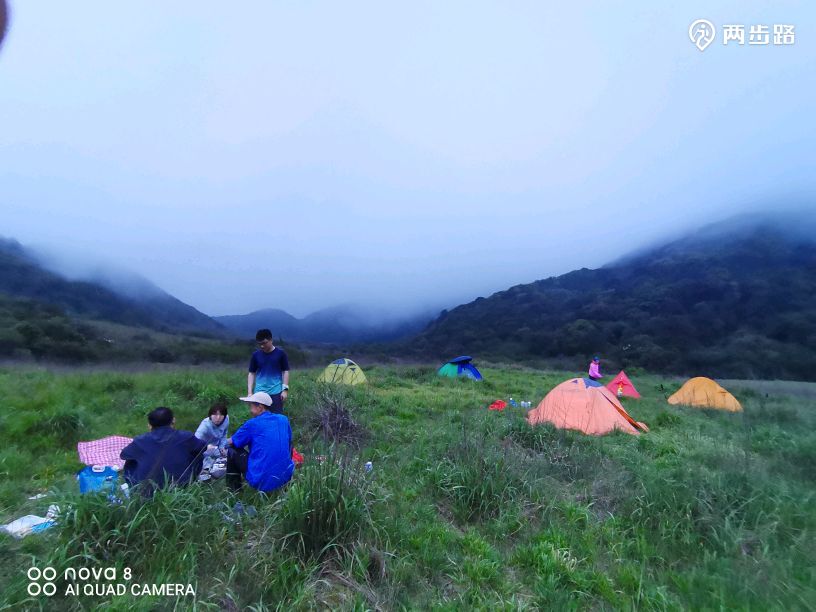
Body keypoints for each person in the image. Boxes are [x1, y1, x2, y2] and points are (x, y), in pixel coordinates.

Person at [120, 407, 206, 494]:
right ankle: (191, 480)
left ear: (149, 425)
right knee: (197, 453)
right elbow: (203, 447)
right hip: (181, 487)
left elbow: (124, 454)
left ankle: (134, 488)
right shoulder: (186, 437)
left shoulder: (141, 440)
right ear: (173, 420)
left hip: (147, 491)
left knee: (131, 461)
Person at [226, 392, 294, 493]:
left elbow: (231, 442)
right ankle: (283, 483)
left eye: (251, 406)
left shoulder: (252, 424)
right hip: (285, 477)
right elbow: (290, 444)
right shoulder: (283, 420)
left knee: (232, 450)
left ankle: (234, 492)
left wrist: (216, 443)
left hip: (261, 480)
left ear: (260, 407)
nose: (250, 410)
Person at [247, 329, 290, 414]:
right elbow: (251, 373)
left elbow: (285, 371)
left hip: (275, 393)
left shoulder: (280, 354)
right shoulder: (256, 355)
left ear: (271, 340)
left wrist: (285, 390)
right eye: (260, 344)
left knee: (276, 417)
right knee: (259, 418)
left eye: (264, 343)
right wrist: (250, 392)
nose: (262, 346)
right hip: (259, 393)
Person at [194, 403, 230, 475]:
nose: (218, 418)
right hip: (207, 447)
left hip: (219, 443)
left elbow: (224, 434)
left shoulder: (226, 419)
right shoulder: (204, 426)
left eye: (221, 415)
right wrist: (206, 447)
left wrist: (221, 447)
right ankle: (206, 471)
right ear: (210, 415)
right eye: (215, 415)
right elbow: (195, 441)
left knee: (233, 446)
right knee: (206, 458)